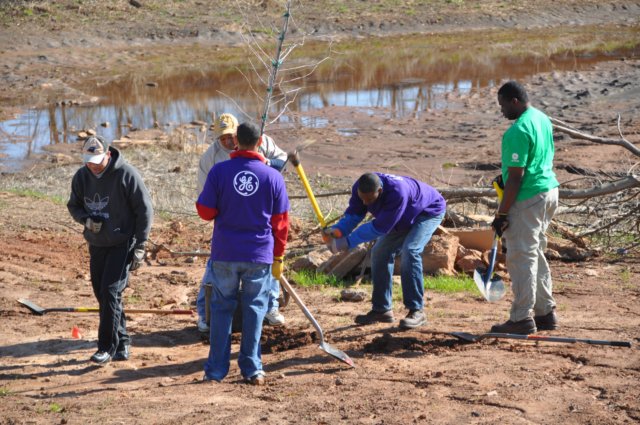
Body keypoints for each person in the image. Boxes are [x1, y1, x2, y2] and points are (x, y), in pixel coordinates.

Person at [196, 121, 289, 384]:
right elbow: (281, 223)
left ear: (236, 142)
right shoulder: (273, 177)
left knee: (222, 309)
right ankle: (252, 368)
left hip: (225, 253)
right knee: (255, 309)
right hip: (259, 255)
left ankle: (215, 371)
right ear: (260, 143)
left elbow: (205, 212)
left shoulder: (219, 171)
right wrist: (278, 257)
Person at [67, 135, 153, 364]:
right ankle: (123, 340)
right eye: (88, 160)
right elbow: (73, 205)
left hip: (122, 242)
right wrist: (85, 220)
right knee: (103, 295)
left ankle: (106, 347)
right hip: (97, 244)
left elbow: (145, 210)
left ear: (107, 154)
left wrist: (141, 245)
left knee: (110, 291)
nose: (93, 165)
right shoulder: (82, 177)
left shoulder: (126, 174)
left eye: (96, 159)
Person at [324, 172, 446, 329]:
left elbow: (381, 227)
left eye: (369, 200)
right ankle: (382, 310)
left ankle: (417, 311)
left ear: (379, 191)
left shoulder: (397, 192)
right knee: (380, 252)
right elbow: (354, 214)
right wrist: (338, 231)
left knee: (411, 250)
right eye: (362, 198)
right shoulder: (361, 188)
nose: (365, 202)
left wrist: (348, 242)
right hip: (403, 215)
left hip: (427, 212)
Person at [490, 80, 560, 335]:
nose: (502, 111)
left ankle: (521, 318)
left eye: (503, 105)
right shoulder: (541, 118)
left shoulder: (517, 131)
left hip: (529, 197)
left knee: (520, 255)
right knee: (535, 251)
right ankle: (545, 313)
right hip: (549, 191)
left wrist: (502, 213)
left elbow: (517, 177)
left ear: (515, 102)